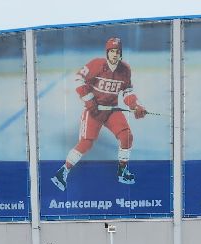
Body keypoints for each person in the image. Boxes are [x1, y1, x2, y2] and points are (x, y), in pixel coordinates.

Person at [51, 37, 149, 191]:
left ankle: (122, 171)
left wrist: (136, 105)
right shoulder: (97, 64)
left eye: (117, 51)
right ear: (107, 53)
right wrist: (90, 101)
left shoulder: (125, 70)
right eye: (112, 51)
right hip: (94, 110)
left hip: (111, 110)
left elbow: (127, 92)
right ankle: (62, 172)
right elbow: (78, 79)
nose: (115, 54)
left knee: (127, 136)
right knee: (86, 143)